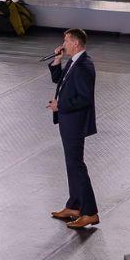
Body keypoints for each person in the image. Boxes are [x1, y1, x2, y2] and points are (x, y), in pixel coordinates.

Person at [47, 29, 99, 229]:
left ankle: (90, 212)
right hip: (68, 120)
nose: (63, 44)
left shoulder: (84, 65)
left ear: (76, 43)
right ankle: (74, 206)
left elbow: (84, 98)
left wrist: (60, 105)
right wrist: (57, 61)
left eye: (66, 41)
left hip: (75, 122)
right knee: (71, 164)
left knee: (77, 165)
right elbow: (59, 81)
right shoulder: (75, 61)